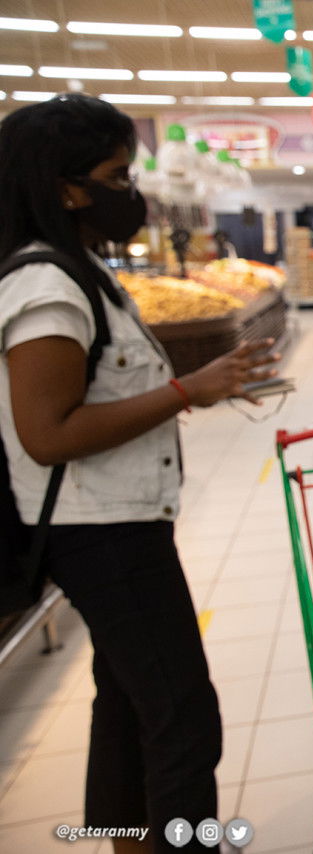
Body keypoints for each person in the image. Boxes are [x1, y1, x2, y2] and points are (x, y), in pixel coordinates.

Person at [0, 94, 279, 853]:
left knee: (126, 704)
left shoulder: (81, 270)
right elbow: (47, 433)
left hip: (118, 526)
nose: (132, 190)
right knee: (183, 717)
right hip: (101, 538)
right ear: (65, 186)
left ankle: (132, 842)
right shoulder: (46, 287)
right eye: (117, 173)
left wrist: (197, 389)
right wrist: (190, 389)